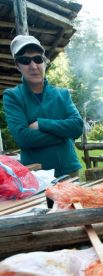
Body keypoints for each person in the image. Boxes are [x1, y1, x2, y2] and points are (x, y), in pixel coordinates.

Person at [3, 35, 83, 178]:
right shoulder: (12, 96)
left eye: (38, 59)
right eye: (25, 61)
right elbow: (23, 138)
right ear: (17, 65)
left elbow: (77, 127)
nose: (33, 66)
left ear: (45, 62)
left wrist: (42, 124)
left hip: (70, 171)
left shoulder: (62, 94)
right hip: (36, 177)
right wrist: (64, 136)